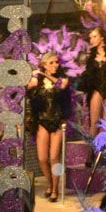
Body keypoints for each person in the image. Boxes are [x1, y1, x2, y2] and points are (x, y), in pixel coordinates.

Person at [27, 52, 71, 202]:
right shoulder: (38, 81)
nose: (55, 65)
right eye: (51, 63)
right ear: (44, 65)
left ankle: (55, 190)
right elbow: (28, 89)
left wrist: (43, 75)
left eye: (56, 62)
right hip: (42, 121)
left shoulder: (62, 79)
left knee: (54, 157)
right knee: (42, 158)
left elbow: (60, 85)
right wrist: (34, 76)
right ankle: (50, 183)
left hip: (57, 121)